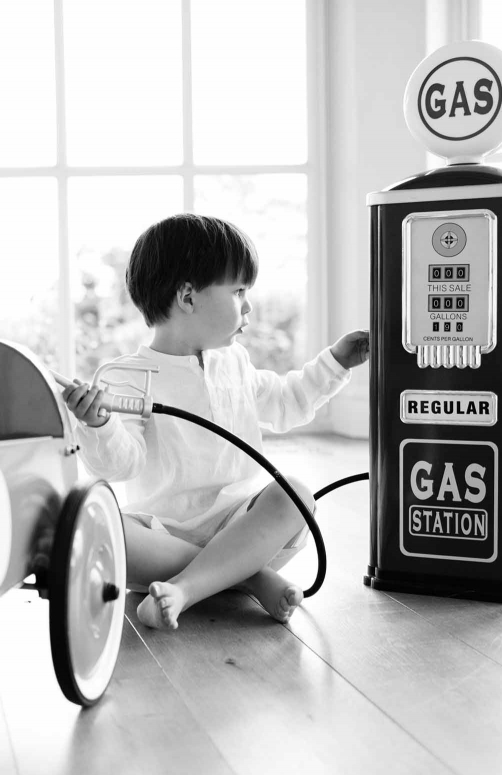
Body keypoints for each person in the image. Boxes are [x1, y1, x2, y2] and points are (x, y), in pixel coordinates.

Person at [62, 214, 369, 629]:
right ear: (188, 296)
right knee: (103, 523)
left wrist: (335, 362)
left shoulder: (235, 363)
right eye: (239, 291)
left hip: (243, 525)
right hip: (162, 536)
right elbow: (120, 466)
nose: (248, 306)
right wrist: (99, 424)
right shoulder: (123, 377)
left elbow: (287, 402)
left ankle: (187, 587)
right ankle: (249, 577)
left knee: (295, 493)